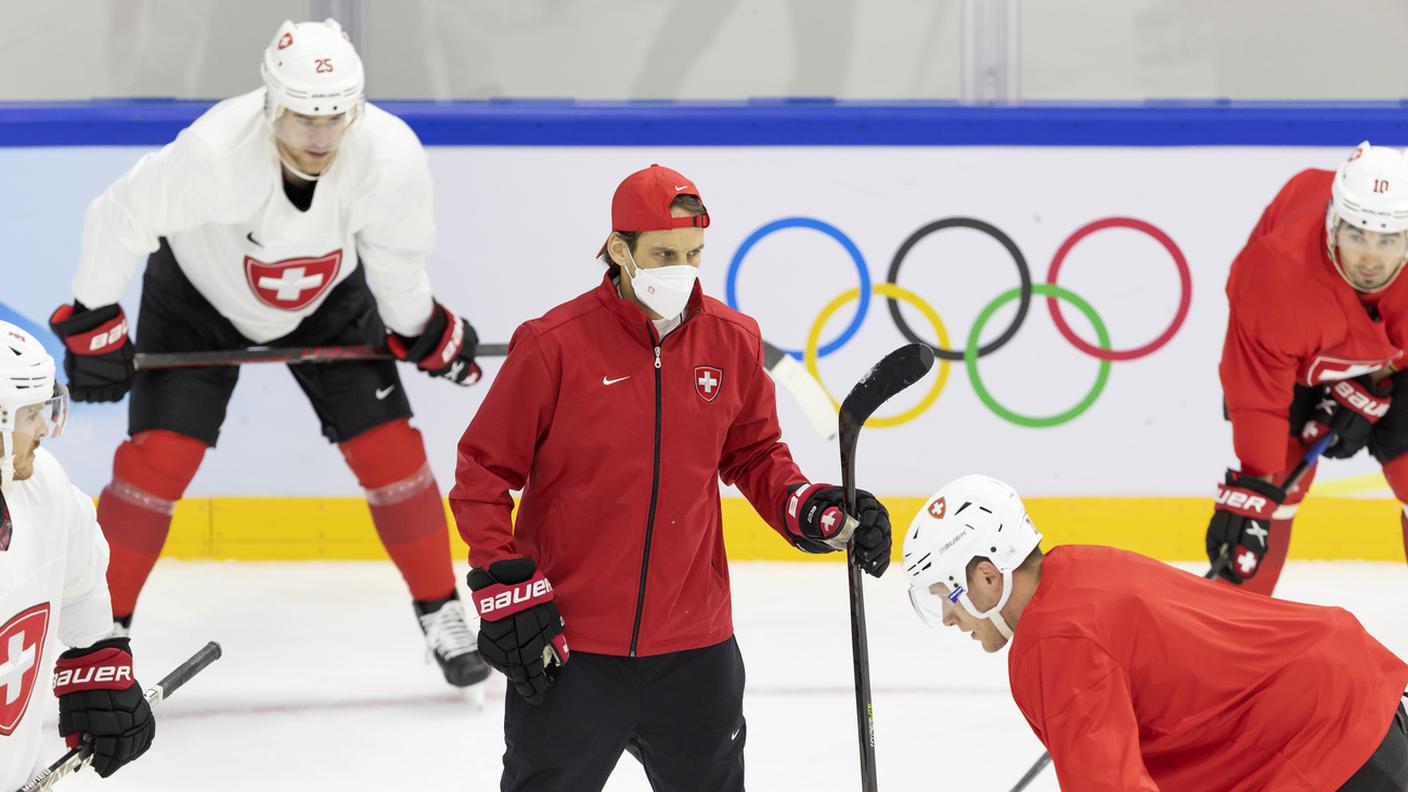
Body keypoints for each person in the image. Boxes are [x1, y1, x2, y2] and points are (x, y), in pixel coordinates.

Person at [46, 19, 487, 688]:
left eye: (336, 116)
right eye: (303, 117)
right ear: (270, 105)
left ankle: (441, 612)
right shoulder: (215, 153)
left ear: (356, 109)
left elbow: (395, 263)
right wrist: (95, 320)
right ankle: (101, 635)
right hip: (196, 299)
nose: (320, 136)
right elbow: (119, 216)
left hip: (332, 299)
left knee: (392, 450)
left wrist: (422, 327)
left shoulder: (391, 156)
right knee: (157, 462)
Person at [450, 164, 894, 791]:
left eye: (693, 254)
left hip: (696, 652)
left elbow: (756, 453)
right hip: (572, 653)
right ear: (618, 249)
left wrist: (809, 507)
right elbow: (482, 473)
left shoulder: (732, 339)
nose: (680, 270)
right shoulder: (553, 345)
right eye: (662, 253)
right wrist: (502, 584)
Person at [903, 473, 1408, 791]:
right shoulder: (1074, 568)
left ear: (988, 576)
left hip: (1323, 737)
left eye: (945, 597)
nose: (949, 618)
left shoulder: (1053, 642)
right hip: (1337, 691)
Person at [1208, 140, 1408, 594]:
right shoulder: (1278, 271)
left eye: (1388, 239)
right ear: (1333, 222)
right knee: (1272, 490)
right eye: (1357, 234)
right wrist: (1256, 484)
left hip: (1390, 358)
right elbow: (1256, 388)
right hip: (1295, 355)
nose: (1371, 258)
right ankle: (1237, 634)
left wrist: (1378, 381)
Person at [0, 322, 157, 788]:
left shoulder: (44, 485)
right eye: (31, 416)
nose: (45, 429)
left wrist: (97, 664)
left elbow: (79, 582)